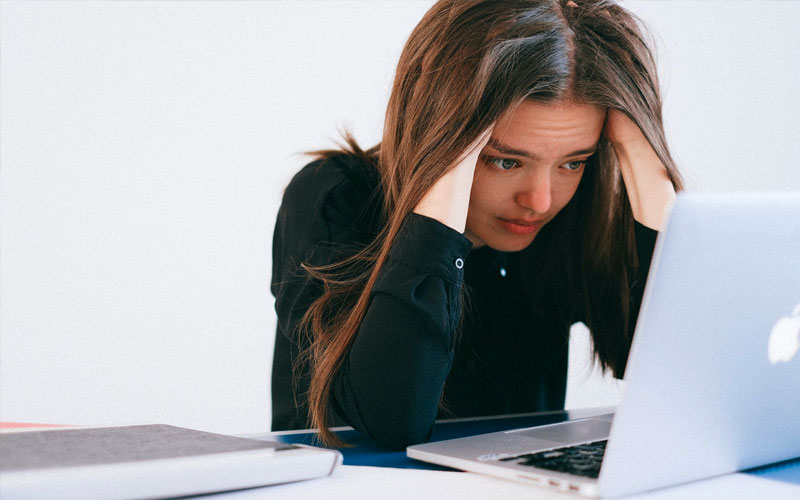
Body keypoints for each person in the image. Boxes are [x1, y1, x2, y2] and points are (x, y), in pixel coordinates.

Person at [271, 0, 683, 450]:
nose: (540, 201)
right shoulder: (334, 198)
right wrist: (446, 166)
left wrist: (646, 155)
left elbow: (678, 381)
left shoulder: (573, 213)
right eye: (505, 160)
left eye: (573, 162)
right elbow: (391, 420)